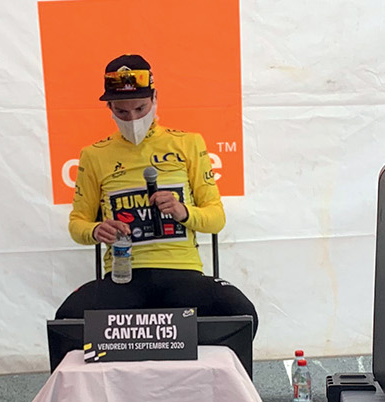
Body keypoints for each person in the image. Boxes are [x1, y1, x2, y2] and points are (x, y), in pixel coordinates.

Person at [55, 55, 258, 326]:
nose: (133, 119)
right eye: (122, 112)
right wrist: (96, 230)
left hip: (182, 271)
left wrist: (183, 211)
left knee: (241, 313)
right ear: (109, 108)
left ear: (155, 98)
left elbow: (216, 219)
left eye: (140, 108)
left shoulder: (187, 143)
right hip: (123, 275)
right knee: (67, 320)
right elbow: (77, 224)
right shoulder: (94, 155)